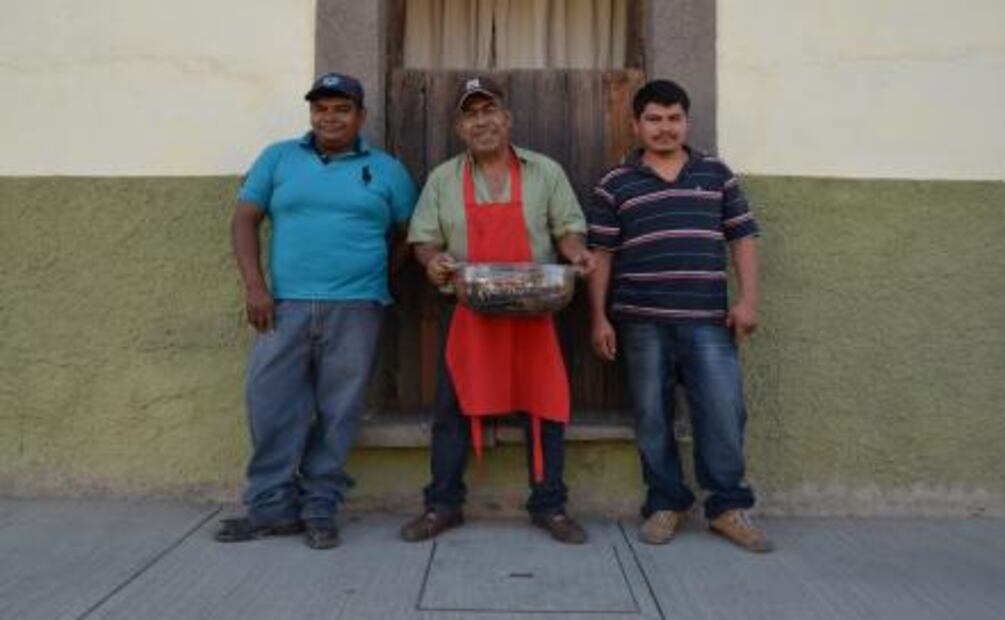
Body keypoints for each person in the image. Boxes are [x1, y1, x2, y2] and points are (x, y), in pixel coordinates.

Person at [214, 72, 417, 549]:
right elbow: (244, 220)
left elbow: (410, 232)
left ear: (361, 116)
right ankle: (270, 508)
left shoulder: (387, 170)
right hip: (282, 306)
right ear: (311, 114)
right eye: (321, 108)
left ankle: (320, 508)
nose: (330, 118)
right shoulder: (278, 158)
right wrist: (255, 287)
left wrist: (379, 275)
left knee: (339, 410)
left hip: (358, 308)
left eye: (341, 109)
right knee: (269, 403)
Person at [401, 76, 596, 544]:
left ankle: (549, 506)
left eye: (489, 111)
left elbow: (568, 229)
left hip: (536, 308)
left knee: (545, 408)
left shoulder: (545, 172)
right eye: (471, 114)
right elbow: (424, 241)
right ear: (459, 127)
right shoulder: (443, 179)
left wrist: (576, 253)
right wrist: (434, 261)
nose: (481, 121)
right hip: (469, 310)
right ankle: (443, 505)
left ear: (507, 119)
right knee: (451, 410)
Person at [586, 79, 772, 553]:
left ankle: (727, 508)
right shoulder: (614, 184)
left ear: (686, 122)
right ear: (636, 125)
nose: (665, 128)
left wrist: (749, 301)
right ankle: (666, 502)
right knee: (652, 416)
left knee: (724, 412)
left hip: (708, 320)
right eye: (654, 119)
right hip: (640, 322)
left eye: (674, 119)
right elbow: (601, 255)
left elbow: (743, 238)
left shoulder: (716, 174)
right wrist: (598, 318)